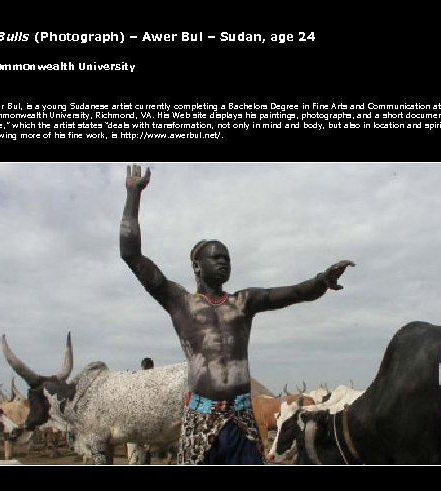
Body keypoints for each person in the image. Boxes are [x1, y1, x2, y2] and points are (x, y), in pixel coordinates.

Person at [119, 164, 354, 464]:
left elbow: (293, 293)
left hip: (243, 420)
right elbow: (131, 255)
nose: (224, 262)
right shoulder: (180, 302)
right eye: (216, 257)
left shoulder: (244, 301)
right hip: (200, 419)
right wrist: (133, 195)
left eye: (227, 258)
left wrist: (322, 280)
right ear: (196, 266)